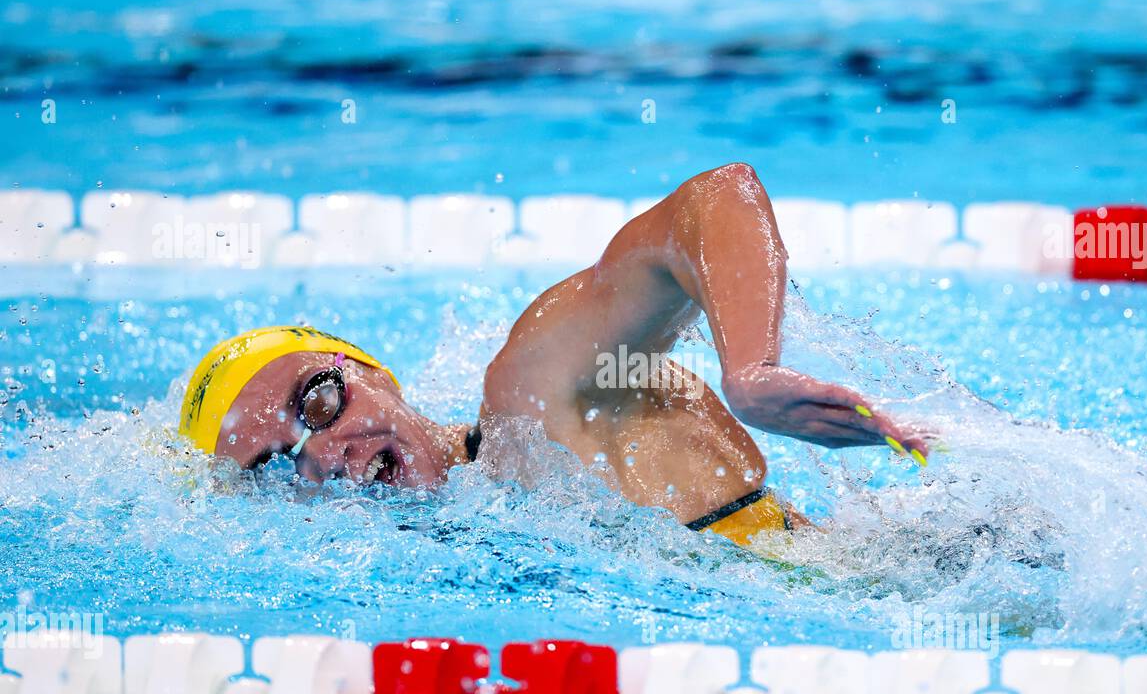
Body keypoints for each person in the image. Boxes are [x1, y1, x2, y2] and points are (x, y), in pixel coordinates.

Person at [179, 163, 930, 547]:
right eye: (278, 465)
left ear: (372, 372)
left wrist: (751, 370)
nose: (326, 453)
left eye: (316, 401)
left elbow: (715, 198)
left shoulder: (536, 403)